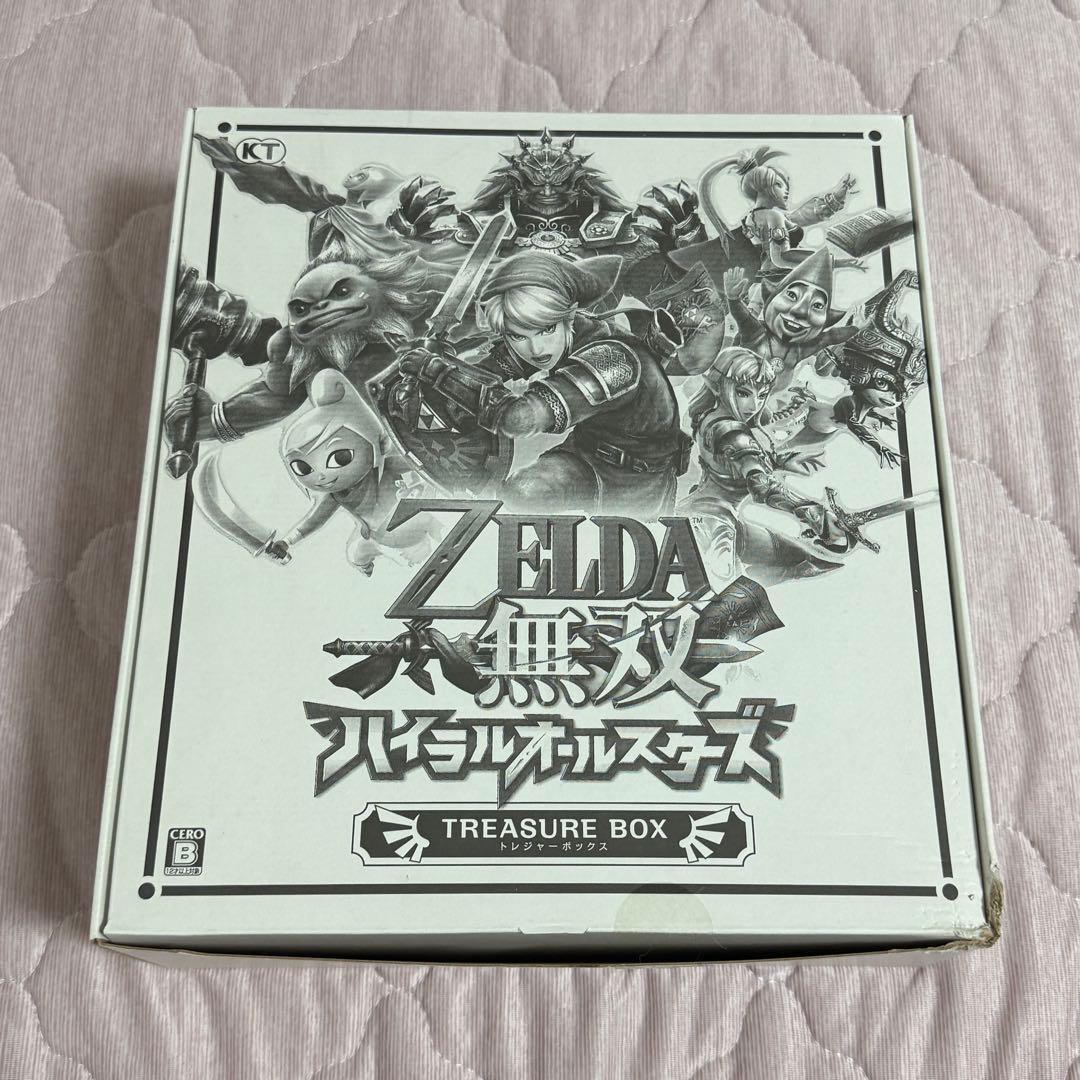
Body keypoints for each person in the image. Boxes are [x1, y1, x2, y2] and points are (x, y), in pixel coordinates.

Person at [391, 252, 690, 515]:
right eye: (518, 335)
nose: (536, 349)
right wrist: (448, 365)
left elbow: (518, 418)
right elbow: (490, 369)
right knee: (519, 495)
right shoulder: (556, 338)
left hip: (639, 481)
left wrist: (436, 371)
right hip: (584, 454)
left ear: (569, 316)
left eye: (546, 329)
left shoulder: (614, 360)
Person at [677, 346, 847, 586]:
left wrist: (779, 460)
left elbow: (737, 461)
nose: (754, 404)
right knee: (726, 594)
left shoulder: (711, 417)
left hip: (718, 516)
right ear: (717, 386)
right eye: (744, 393)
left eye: (761, 395)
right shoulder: (731, 431)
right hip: (710, 524)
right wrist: (818, 517)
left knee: (806, 561)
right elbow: (761, 485)